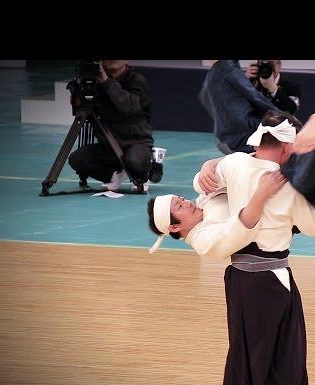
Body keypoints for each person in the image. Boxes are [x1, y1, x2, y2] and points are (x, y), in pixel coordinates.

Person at [194, 110, 315, 385]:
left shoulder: (234, 163)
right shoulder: (289, 185)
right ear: (289, 148)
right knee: (281, 361)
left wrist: (206, 167)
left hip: (237, 279)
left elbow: (202, 183)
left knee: (243, 357)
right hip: (272, 282)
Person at [147, 170, 287, 260]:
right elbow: (243, 227)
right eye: (179, 206)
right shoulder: (204, 243)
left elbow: (228, 169)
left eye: (182, 199)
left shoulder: (203, 200)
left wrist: (208, 166)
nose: (188, 203)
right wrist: (263, 192)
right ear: (173, 227)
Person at [68, 60, 155, 192]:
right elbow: (85, 111)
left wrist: (106, 82)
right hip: (109, 146)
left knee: (136, 161)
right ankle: (113, 175)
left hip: (136, 143)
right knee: (77, 159)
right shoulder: (95, 80)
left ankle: (142, 174)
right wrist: (78, 98)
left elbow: (129, 107)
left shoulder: (137, 80)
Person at [198, 60, 280, 154]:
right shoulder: (229, 69)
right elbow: (255, 97)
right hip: (244, 134)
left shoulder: (213, 73)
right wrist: (281, 115)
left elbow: (204, 97)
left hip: (227, 135)